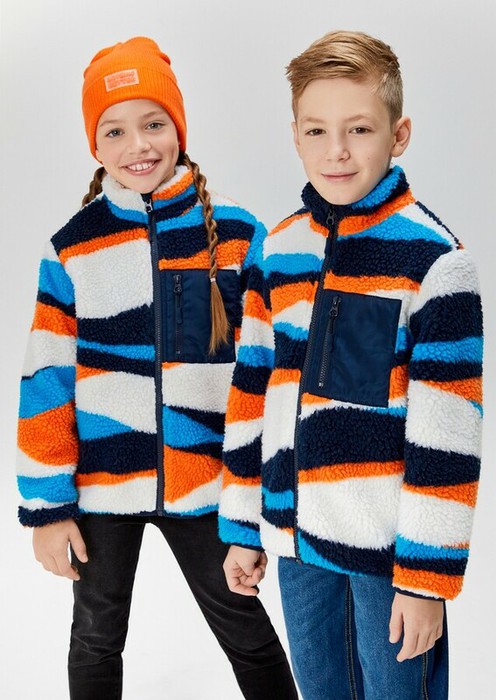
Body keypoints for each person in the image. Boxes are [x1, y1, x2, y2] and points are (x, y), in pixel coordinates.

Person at [16, 36, 298, 700]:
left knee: (246, 629)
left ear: (179, 130)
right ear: (94, 146)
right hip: (101, 488)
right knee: (94, 636)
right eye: (113, 130)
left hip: (207, 483)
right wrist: (47, 508)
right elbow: (46, 380)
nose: (137, 145)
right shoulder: (72, 249)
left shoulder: (237, 237)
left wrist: (254, 496)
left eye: (153, 123)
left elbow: (266, 371)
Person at [220, 30, 483, 700]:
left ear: (399, 135)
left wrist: (424, 581)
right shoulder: (276, 250)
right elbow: (251, 394)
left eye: (359, 129)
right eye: (316, 130)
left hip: (386, 559)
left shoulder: (434, 262)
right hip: (295, 546)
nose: (335, 150)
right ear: (295, 137)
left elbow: (448, 440)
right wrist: (243, 525)